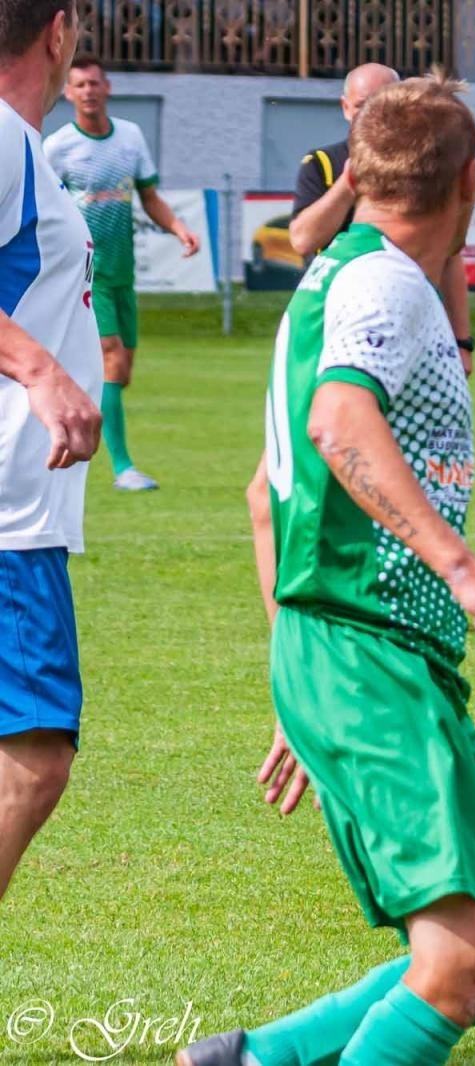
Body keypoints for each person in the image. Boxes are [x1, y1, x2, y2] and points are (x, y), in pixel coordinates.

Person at [180, 75, 475, 1066]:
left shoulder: (339, 280)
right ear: (472, 182)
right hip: (368, 654)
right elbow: (337, 420)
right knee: (461, 961)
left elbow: (264, 492)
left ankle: (254, 1059)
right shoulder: (384, 286)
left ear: (355, 175)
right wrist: (465, 572)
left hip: (369, 657)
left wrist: (297, 671)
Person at [0, 0, 103, 907]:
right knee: (33, 758)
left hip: (25, 504)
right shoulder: (1, 136)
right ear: (59, 29)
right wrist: (39, 369)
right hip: (9, 510)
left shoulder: (26, 146)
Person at [43, 54, 198, 494]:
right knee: (110, 357)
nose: (88, 91)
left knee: (120, 370)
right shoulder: (58, 147)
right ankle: (123, 468)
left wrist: (179, 228)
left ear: (107, 88)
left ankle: (60, 415)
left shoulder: (129, 137)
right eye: (79, 85)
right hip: (85, 271)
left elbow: (150, 196)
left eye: (94, 83)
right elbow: (45, 206)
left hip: (123, 271)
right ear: (68, 94)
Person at [290, 64, 475, 376]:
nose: (373, 114)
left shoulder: (424, 165)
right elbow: (303, 240)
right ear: (345, 108)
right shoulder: (323, 164)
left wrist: (461, 342)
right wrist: (349, 182)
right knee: (347, 393)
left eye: (383, 103)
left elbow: (450, 255)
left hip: (413, 314)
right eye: (363, 105)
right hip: (337, 317)